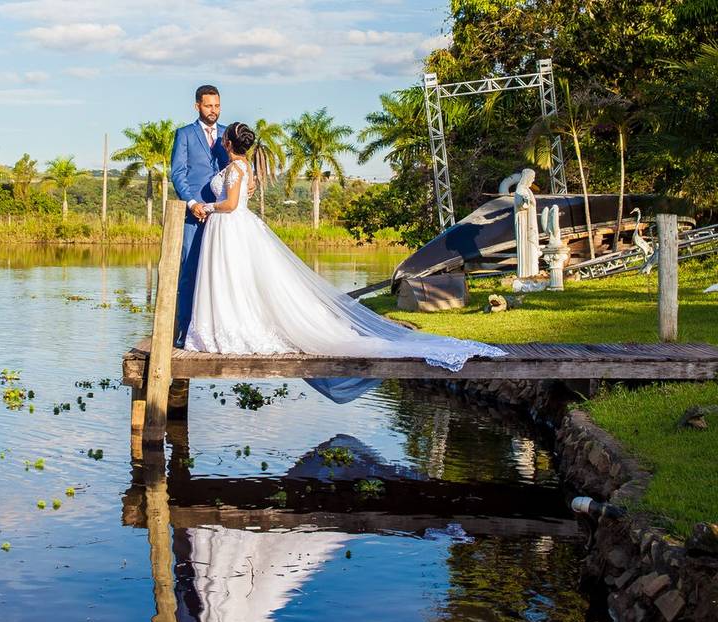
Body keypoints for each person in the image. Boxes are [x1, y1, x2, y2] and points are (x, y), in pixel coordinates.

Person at [183, 122, 506, 403]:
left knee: (234, 278)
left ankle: (232, 330)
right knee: (233, 280)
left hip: (230, 226)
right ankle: (228, 326)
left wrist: (206, 208)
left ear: (227, 143)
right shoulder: (244, 168)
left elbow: (230, 203)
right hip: (229, 231)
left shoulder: (238, 169)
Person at [170, 85, 230, 348]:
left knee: (221, 273)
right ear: (197, 106)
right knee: (190, 272)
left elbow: (240, 164)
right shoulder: (184, 134)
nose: (213, 111)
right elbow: (178, 173)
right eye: (208, 106)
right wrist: (192, 203)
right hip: (193, 215)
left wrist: (250, 181)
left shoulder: (227, 134)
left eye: (217, 106)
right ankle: (185, 331)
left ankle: (218, 332)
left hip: (222, 216)